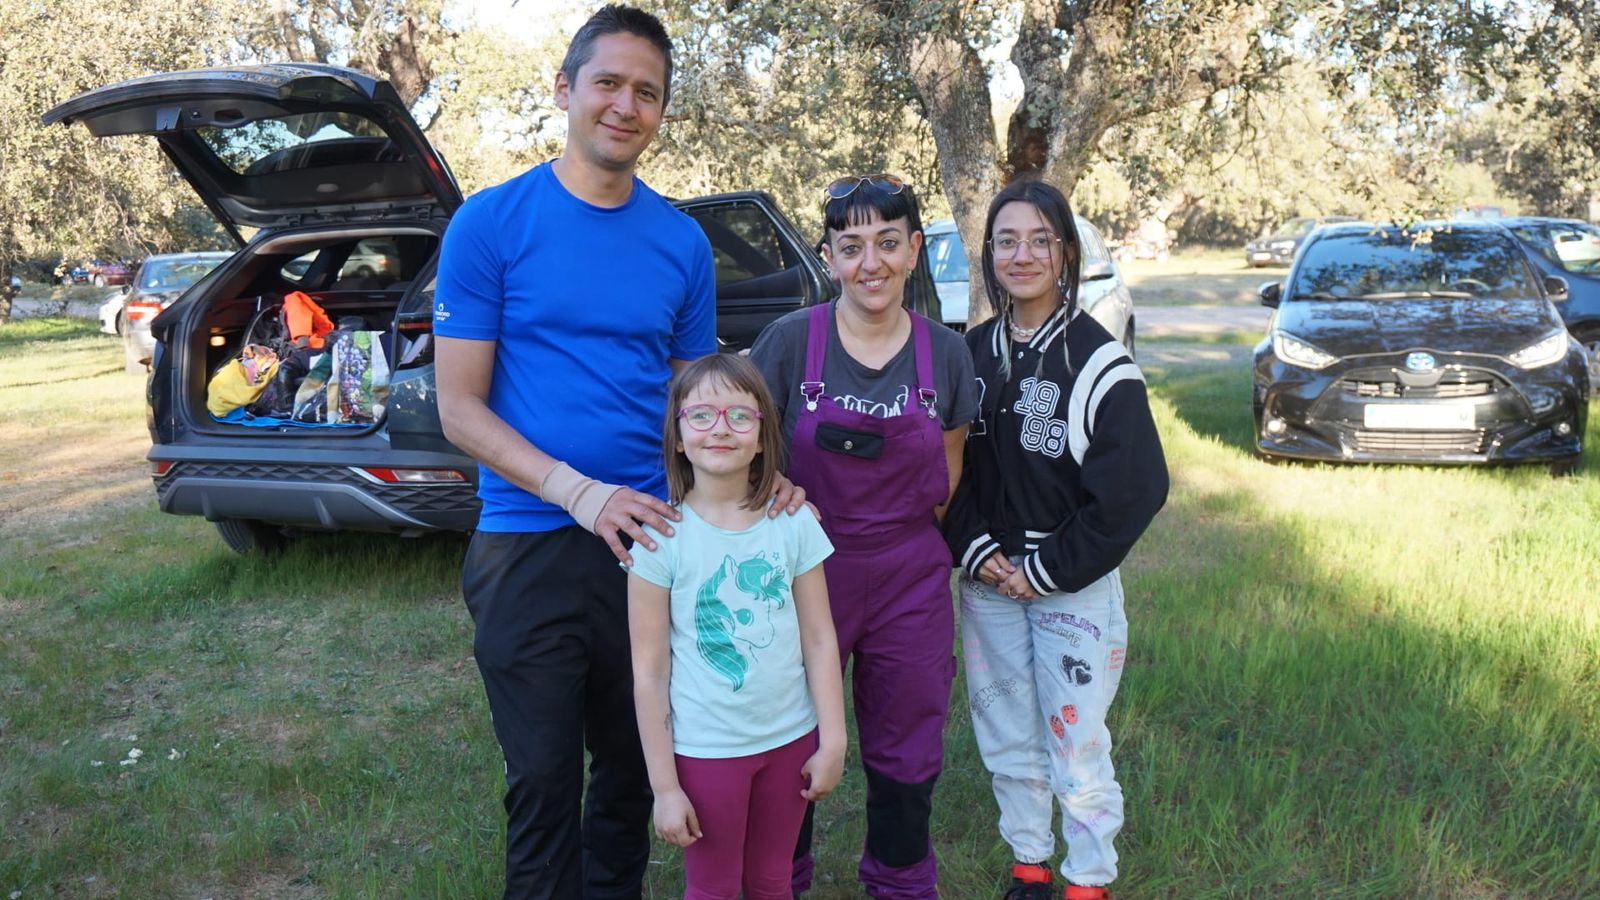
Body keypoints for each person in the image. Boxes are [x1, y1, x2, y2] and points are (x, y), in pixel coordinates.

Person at [432, 6, 802, 896]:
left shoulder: (680, 243)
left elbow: (698, 403)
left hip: (654, 543)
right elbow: (457, 407)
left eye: (648, 92)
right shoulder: (489, 225)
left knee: (634, 778)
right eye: (608, 83)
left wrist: (759, 481)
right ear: (565, 90)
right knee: (545, 784)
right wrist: (578, 492)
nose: (625, 105)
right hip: (526, 542)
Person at [749, 175, 979, 899]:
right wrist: (768, 494)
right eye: (851, 248)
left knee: (908, 740)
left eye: (887, 243)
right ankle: (779, 880)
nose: (870, 263)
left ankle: (902, 881)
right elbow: (739, 458)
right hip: (803, 572)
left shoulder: (946, 354)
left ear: (915, 250)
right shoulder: (789, 344)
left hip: (909, 574)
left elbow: (947, 479)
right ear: (828, 257)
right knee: (793, 736)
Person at [944, 179, 1168, 900]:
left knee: (1075, 739)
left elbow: (1134, 490)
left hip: (1070, 584)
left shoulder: (1097, 362)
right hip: (988, 580)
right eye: (1007, 240)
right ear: (989, 255)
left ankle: (1089, 877)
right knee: (1005, 729)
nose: (1023, 254)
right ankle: (1030, 864)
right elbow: (950, 474)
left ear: (1066, 253)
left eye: (1041, 239)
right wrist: (978, 550)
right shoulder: (968, 355)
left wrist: (1044, 570)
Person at [627, 354, 847, 900]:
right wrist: (664, 787)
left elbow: (820, 640)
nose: (720, 429)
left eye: (739, 417)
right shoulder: (659, 542)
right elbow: (649, 673)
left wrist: (834, 739)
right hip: (706, 752)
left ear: (762, 436)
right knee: (714, 887)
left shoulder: (793, 523)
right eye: (701, 415)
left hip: (790, 742)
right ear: (677, 435)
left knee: (774, 880)